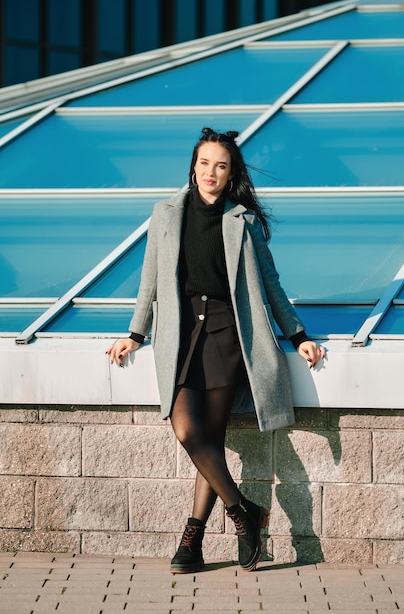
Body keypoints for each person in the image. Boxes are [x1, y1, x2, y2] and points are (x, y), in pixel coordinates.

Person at [107, 127, 325, 574]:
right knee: (189, 432)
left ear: (230, 175)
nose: (211, 172)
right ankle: (244, 513)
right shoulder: (165, 214)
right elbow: (149, 279)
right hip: (182, 334)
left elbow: (271, 283)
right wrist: (136, 333)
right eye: (205, 163)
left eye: (220, 166)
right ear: (193, 166)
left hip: (227, 334)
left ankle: (193, 540)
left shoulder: (241, 221)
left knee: (211, 439)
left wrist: (299, 335)